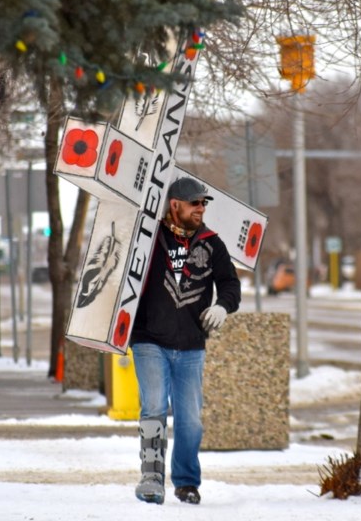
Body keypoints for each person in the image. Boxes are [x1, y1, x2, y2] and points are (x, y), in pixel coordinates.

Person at [130, 176, 241, 505]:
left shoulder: (211, 243)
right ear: (174, 205)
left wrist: (223, 306)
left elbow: (230, 285)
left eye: (204, 203)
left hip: (192, 345)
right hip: (149, 338)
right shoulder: (148, 237)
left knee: (190, 420)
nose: (201, 208)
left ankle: (187, 481)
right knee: (153, 406)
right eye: (195, 203)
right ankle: (151, 478)